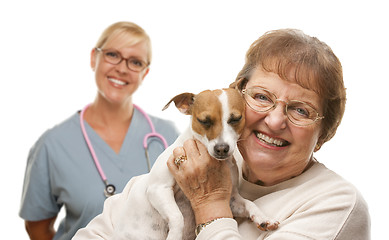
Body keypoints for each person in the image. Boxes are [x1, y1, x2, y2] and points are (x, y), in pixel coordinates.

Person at [72, 29, 370, 240]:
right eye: (262, 97)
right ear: (236, 99)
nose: (275, 120)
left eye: (301, 110)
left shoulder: (337, 205)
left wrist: (211, 202)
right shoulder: (187, 164)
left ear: (324, 133)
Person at [19, 21, 179, 240]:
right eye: (112, 55)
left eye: (135, 62)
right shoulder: (52, 145)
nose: (122, 68)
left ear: (145, 72)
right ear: (94, 58)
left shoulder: (168, 136)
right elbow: (37, 228)